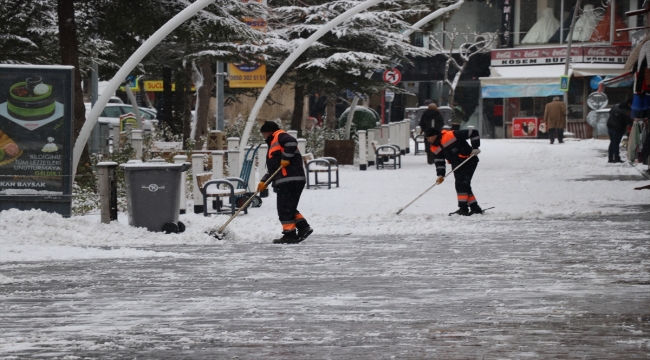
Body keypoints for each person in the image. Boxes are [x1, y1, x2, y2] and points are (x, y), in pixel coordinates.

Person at [257, 121, 313, 244]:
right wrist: (263, 182)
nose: (264, 137)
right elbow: (273, 169)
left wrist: (286, 158)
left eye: (264, 134)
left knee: (284, 208)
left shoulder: (280, 135)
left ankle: (290, 234)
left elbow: (292, 142)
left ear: (269, 131)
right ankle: (303, 227)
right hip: (288, 180)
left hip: (290, 179)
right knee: (288, 207)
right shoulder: (273, 144)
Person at [424, 127, 482, 216]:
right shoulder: (434, 147)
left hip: (469, 160)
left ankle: (464, 208)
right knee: (464, 185)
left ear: (435, 136)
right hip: (456, 164)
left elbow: (473, 132)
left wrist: (475, 147)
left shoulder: (451, 135)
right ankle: (475, 208)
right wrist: (440, 175)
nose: (428, 140)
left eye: (428, 138)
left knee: (461, 184)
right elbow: (439, 162)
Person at [419, 100, 445, 165]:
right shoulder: (438, 113)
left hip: (428, 131)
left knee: (428, 144)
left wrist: (425, 129)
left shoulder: (425, 113)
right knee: (436, 143)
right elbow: (441, 122)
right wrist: (438, 129)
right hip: (436, 131)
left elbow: (422, 123)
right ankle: (436, 157)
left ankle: (430, 159)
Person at [606, 99, 632, 163]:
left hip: (610, 126)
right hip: (618, 128)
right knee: (616, 143)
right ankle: (616, 158)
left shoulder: (616, 105)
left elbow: (610, 112)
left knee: (612, 143)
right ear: (629, 104)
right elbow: (628, 121)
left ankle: (610, 158)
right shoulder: (626, 111)